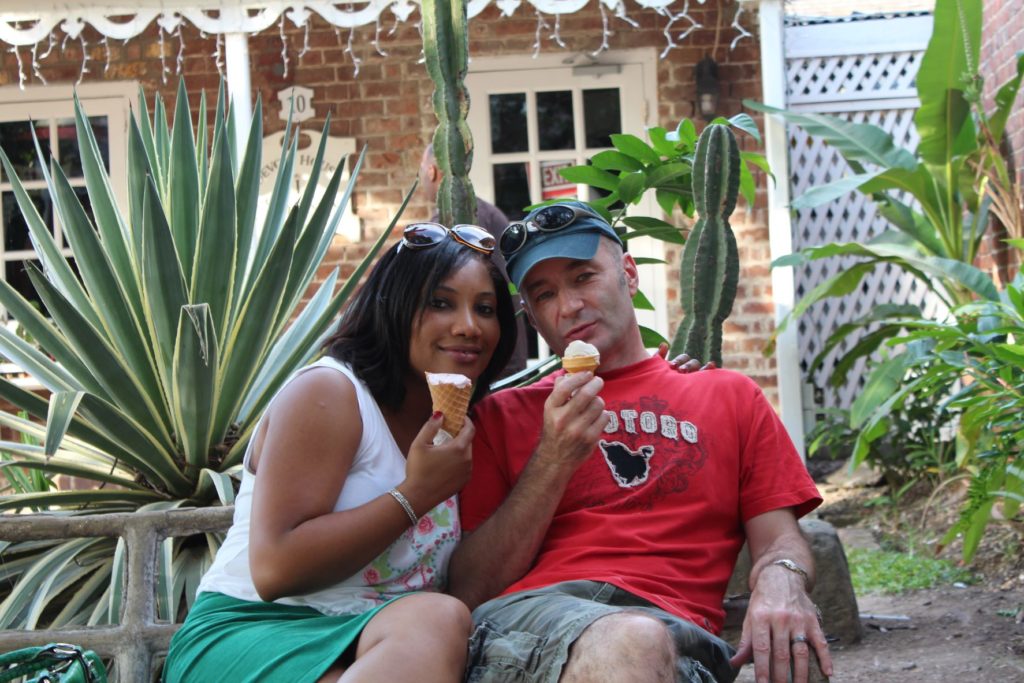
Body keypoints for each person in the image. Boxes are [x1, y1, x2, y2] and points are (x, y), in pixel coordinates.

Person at [448, 200, 833, 683]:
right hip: (531, 627)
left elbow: (780, 538)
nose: (568, 306)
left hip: (681, 642)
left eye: (584, 277)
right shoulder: (502, 416)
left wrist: (783, 579)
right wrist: (552, 459)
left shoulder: (730, 396)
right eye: (544, 295)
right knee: (632, 640)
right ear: (534, 317)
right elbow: (468, 587)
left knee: (647, 641)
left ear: (628, 273)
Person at [163, 222, 518, 683]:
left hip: (374, 641)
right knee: (435, 617)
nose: (469, 326)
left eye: (485, 309)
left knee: (438, 617)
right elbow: (274, 570)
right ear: (394, 307)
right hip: (256, 626)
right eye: (440, 303)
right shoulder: (330, 393)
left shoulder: (460, 425)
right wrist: (416, 494)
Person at [419, 143, 529, 376]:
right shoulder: (490, 212)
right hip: (505, 351)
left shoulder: (447, 224)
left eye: (421, 170)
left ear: (431, 171)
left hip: (484, 361)